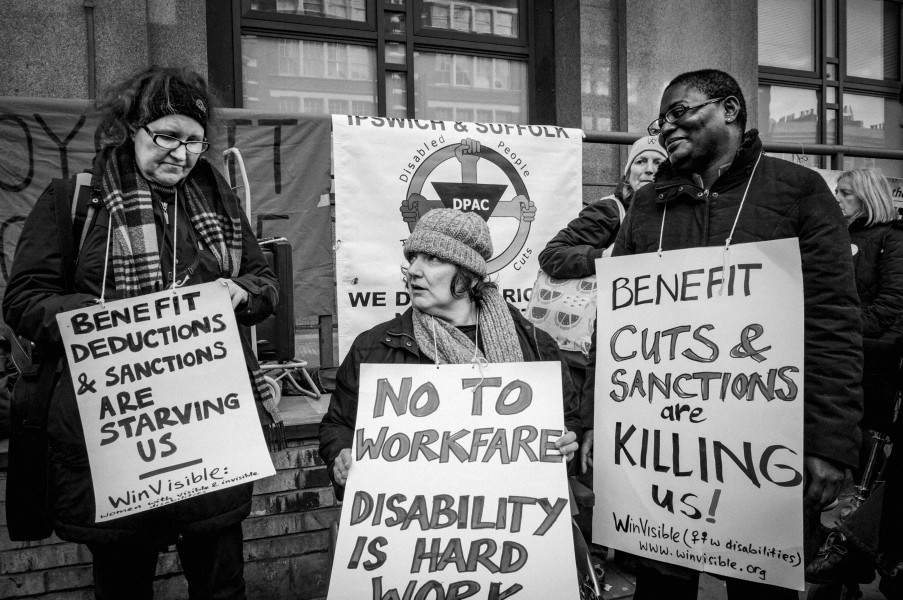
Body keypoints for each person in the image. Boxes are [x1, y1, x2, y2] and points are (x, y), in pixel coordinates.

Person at [2, 65, 280, 599]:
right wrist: (96, 318)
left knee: (221, 585)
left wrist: (240, 292)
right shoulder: (75, 200)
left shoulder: (220, 203)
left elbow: (264, 283)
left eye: (194, 140)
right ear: (133, 128)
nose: (181, 152)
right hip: (118, 431)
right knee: (125, 584)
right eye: (167, 136)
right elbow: (23, 302)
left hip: (210, 431)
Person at [586, 69, 863, 599]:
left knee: (758, 588)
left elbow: (833, 322)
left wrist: (831, 443)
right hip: (661, 455)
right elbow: (616, 322)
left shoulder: (797, 191)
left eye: (680, 111)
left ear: (730, 109)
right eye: (660, 119)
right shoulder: (647, 206)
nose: (666, 128)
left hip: (761, 454)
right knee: (660, 587)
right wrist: (600, 419)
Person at [318, 208, 581, 495]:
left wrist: (566, 441)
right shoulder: (374, 347)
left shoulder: (534, 344)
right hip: (418, 520)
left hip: (510, 516)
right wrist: (341, 454)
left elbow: (568, 418)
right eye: (413, 258)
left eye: (433, 258)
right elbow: (338, 424)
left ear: (468, 275)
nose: (414, 271)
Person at [538, 135, 666, 475]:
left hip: (640, 348)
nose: (649, 170)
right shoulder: (611, 210)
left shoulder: (670, 214)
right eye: (641, 162)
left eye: (658, 163)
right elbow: (552, 256)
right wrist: (606, 256)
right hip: (591, 352)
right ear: (627, 172)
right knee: (593, 447)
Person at [804, 175, 903, 596]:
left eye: (845, 193)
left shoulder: (891, 240)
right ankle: (822, 560)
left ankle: (846, 557)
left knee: (860, 472)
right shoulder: (832, 237)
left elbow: (892, 304)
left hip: (871, 369)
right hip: (833, 365)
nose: (838, 200)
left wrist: (837, 333)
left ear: (868, 195)